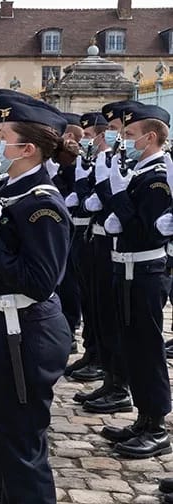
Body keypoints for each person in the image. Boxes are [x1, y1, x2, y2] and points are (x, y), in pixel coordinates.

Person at [0, 91, 76, 503]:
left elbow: (38, 281)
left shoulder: (43, 204)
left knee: (22, 449)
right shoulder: (12, 190)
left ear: (25, 148)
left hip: (24, 333)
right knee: (3, 440)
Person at [100, 101, 172, 458]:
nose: (123, 139)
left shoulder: (157, 179)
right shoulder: (139, 172)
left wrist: (118, 196)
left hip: (145, 270)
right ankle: (143, 417)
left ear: (151, 137)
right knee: (131, 346)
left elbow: (147, 231)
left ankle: (157, 423)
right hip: (125, 267)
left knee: (147, 349)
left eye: (130, 134)